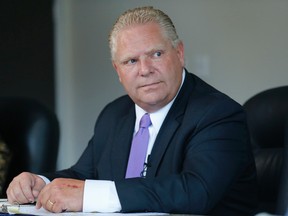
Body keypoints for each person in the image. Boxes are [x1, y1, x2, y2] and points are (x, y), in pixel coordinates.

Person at [6, 6, 257, 215]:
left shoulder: (218, 113)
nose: (145, 69)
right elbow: (84, 174)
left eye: (156, 54)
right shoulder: (114, 114)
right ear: (118, 70)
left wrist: (90, 195)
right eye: (131, 61)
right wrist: (42, 184)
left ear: (179, 54)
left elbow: (195, 192)